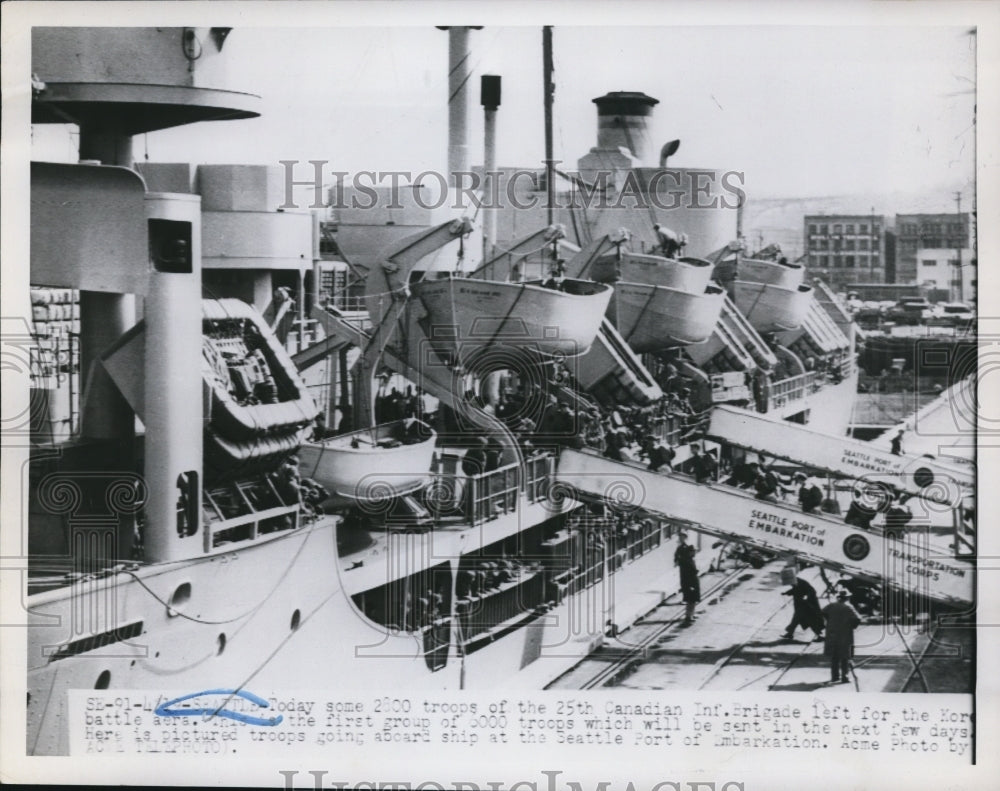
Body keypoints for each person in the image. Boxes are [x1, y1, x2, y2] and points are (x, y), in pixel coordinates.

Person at [822, 589, 861, 684]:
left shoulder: (831, 605)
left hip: (832, 634)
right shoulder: (848, 607)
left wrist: (830, 621)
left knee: (834, 656)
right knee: (845, 655)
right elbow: (857, 619)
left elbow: (823, 612)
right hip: (845, 634)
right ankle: (845, 676)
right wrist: (852, 626)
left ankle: (834, 676)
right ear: (847, 597)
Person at [781, 576, 824, 641]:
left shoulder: (802, 583)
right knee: (797, 619)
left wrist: (807, 597)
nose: (790, 584)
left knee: (808, 620)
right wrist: (786, 593)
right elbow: (795, 590)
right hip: (801, 605)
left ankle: (819, 635)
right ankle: (790, 633)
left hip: (806, 605)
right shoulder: (796, 582)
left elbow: (812, 591)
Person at [674, 531, 700, 625]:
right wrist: (691, 585)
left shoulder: (689, 560)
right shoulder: (687, 562)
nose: (694, 553)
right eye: (693, 552)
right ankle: (689, 616)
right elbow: (689, 573)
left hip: (691, 581)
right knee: (691, 599)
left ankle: (691, 614)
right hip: (690, 582)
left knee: (693, 599)